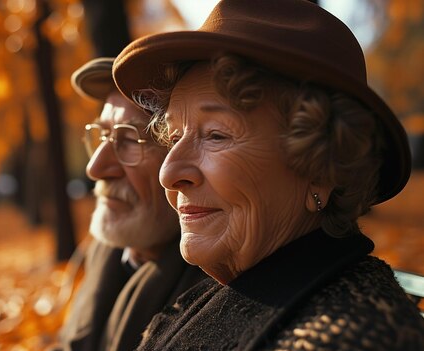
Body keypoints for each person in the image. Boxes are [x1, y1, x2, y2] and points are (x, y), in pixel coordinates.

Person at [112, 0, 424, 349]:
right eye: (173, 138)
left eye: (216, 135)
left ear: (321, 168)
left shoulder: (348, 336)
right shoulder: (214, 296)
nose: (168, 173)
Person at [58, 58, 208, 351]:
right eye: (102, 135)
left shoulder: (216, 293)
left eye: (129, 139)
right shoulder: (106, 252)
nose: (96, 167)